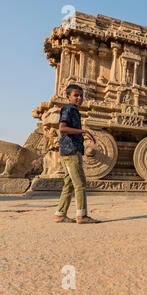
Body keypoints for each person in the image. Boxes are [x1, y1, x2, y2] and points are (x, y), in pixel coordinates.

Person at [54, 84, 100, 224]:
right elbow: (62, 128)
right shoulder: (69, 109)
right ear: (68, 97)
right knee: (80, 183)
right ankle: (82, 215)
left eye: (81, 95)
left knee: (69, 183)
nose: (79, 98)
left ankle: (60, 214)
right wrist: (83, 132)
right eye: (76, 95)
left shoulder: (73, 110)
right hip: (71, 150)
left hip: (71, 150)